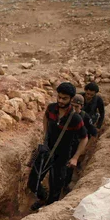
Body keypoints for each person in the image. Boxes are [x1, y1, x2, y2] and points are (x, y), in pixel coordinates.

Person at [28, 82, 88, 211]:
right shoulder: (51, 108)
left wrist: (75, 158)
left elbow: (84, 138)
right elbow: (45, 117)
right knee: (33, 182)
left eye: (64, 98)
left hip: (62, 156)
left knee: (55, 188)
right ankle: (42, 198)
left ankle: (48, 210)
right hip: (46, 151)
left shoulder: (75, 118)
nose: (60, 101)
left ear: (71, 99)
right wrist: (45, 135)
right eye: (59, 97)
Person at [64, 94, 97, 191]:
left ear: (81, 106)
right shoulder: (64, 114)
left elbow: (94, 133)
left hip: (76, 146)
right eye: (72, 106)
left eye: (76, 107)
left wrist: (85, 149)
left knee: (69, 167)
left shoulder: (84, 117)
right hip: (64, 144)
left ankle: (65, 185)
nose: (74, 109)